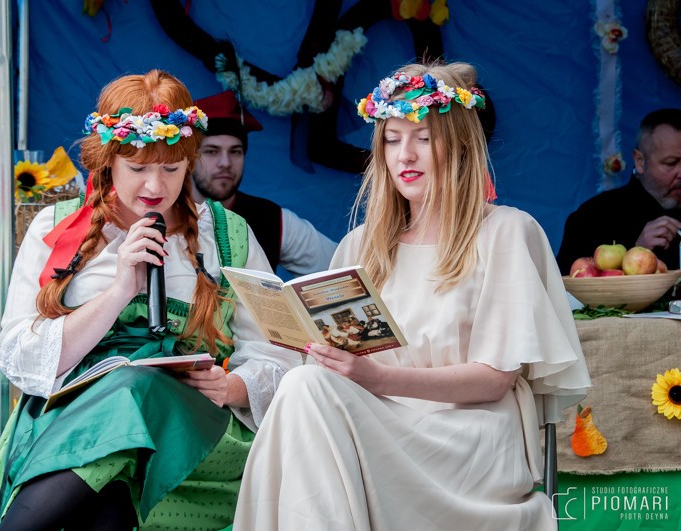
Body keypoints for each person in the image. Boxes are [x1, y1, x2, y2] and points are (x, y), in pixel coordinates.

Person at [233, 61, 591, 530]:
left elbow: (494, 380)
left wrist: (377, 378)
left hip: (470, 439)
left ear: (459, 145)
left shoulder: (506, 231)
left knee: (306, 390)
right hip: (380, 426)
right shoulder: (361, 245)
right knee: (303, 383)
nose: (405, 155)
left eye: (424, 138)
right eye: (392, 139)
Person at [0, 70, 299, 531]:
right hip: (70, 427)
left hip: (190, 435)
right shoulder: (56, 228)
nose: (155, 187)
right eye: (138, 169)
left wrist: (233, 386)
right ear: (108, 162)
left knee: (134, 390)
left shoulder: (229, 236)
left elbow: (282, 351)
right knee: (111, 482)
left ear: (189, 162)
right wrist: (120, 289)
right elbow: (19, 357)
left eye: (171, 169)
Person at [191, 90, 337, 275]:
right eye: (212, 151)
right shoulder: (166, 216)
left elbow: (341, 269)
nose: (225, 163)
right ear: (190, 158)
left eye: (235, 151)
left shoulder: (272, 219)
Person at [557, 108, 681, 274]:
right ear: (640, 161)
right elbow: (567, 283)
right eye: (671, 163)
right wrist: (635, 253)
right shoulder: (593, 216)